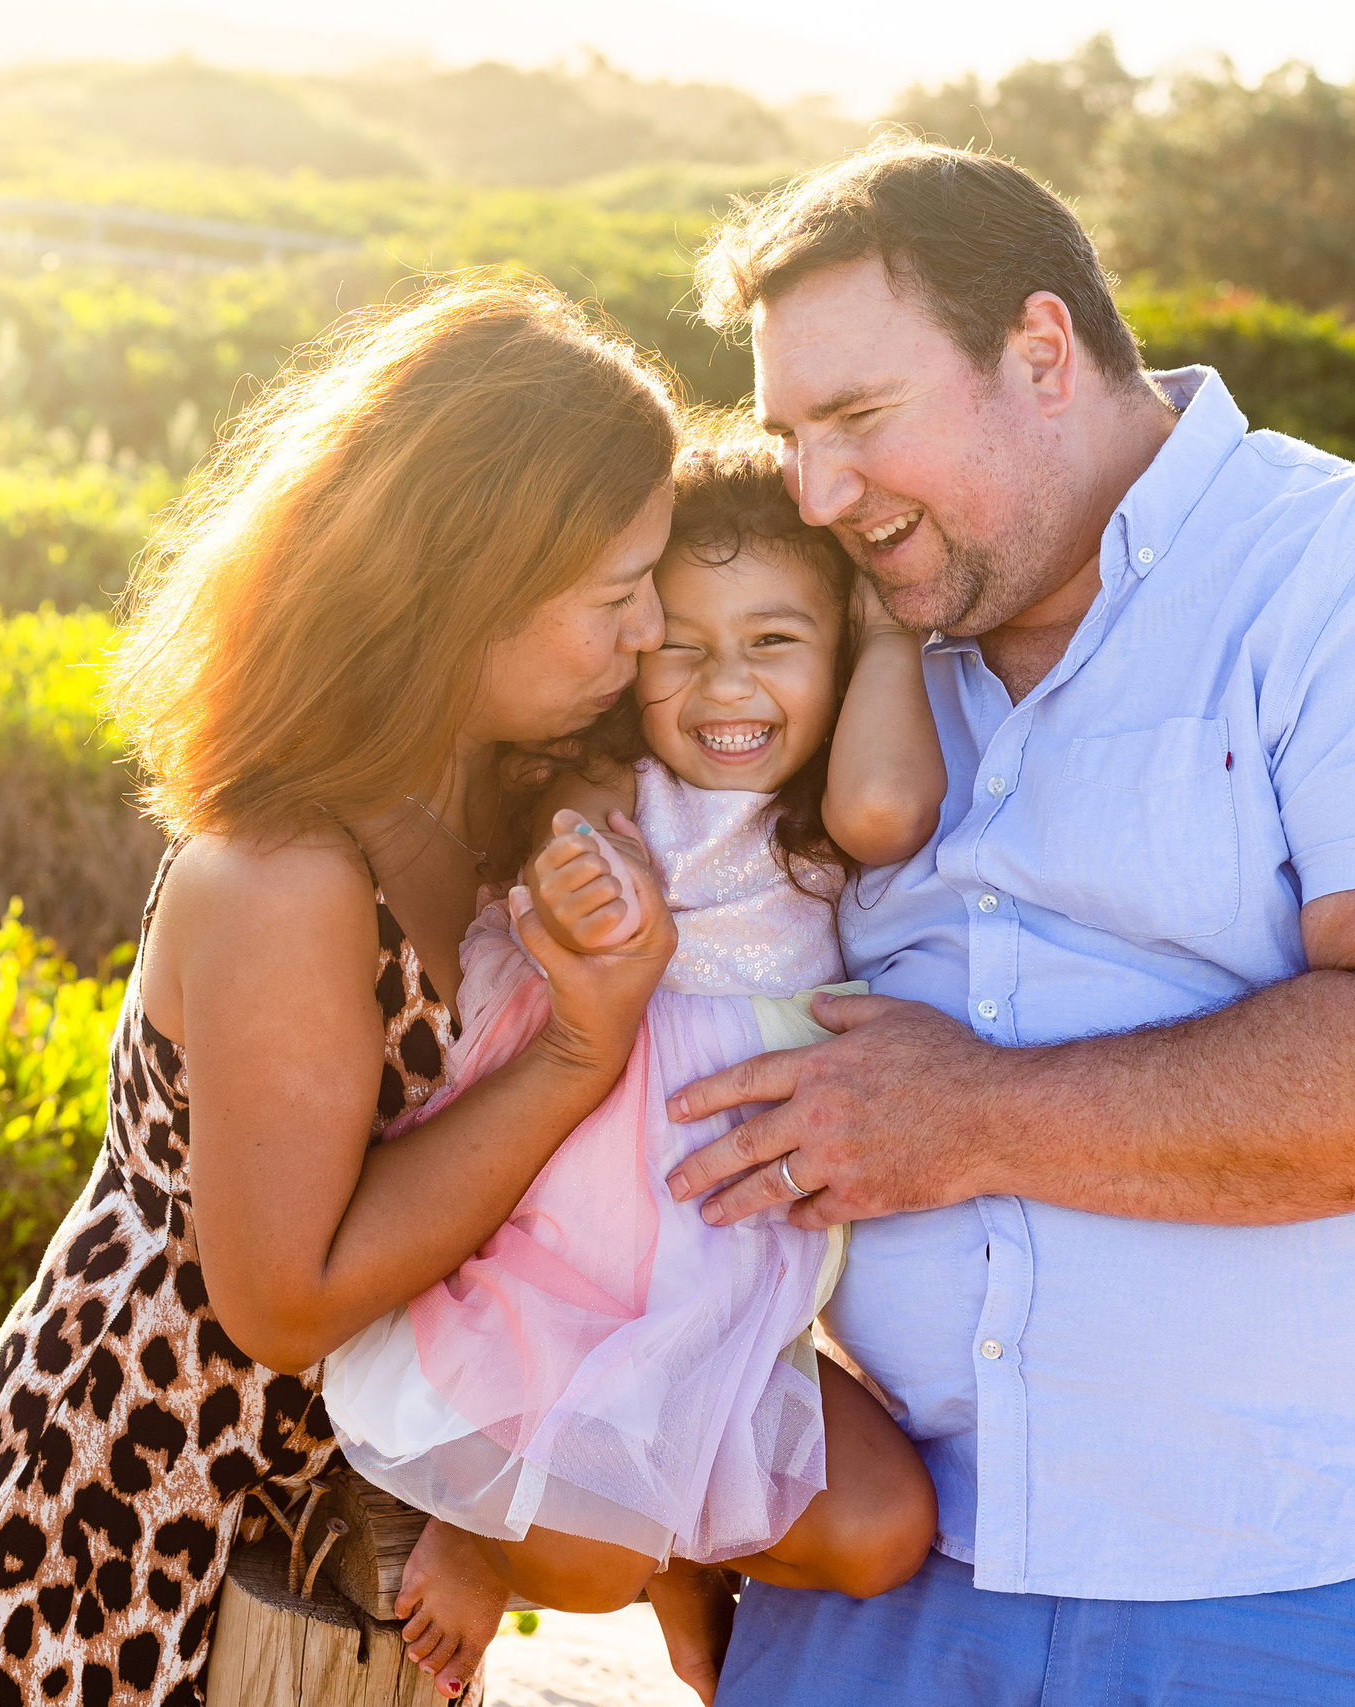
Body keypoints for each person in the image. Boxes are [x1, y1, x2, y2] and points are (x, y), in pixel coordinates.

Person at [664, 143, 1355, 1702]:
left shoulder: (1350, 577)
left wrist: (973, 1115)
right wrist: (679, 1498)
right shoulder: (820, 628)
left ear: (1041, 350)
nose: (818, 492)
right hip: (881, 1580)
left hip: (1307, 1591)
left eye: (859, 419)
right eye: (789, 437)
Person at [0, 277, 688, 1707]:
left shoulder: (494, 805)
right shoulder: (288, 874)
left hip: (329, 1521)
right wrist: (575, 1055)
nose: (651, 630)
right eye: (617, 595)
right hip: (148, 1511)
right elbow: (282, 1303)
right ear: (461, 594)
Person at [328, 440, 944, 1700]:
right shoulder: (625, 781)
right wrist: (582, 883)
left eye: (775, 642)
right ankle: (494, 1536)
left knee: (886, 1532)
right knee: (587, 1557)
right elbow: (568, 841)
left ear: (837, 653)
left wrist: (887, 631)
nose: (728, 684)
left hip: (729, 1273)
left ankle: (680, 1556)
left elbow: (889, 810)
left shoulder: (832, 812)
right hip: (594, 1230)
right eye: (685, 647)